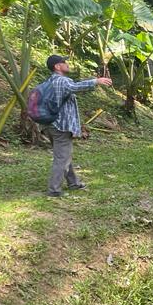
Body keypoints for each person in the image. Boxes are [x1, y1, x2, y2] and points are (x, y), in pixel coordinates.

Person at [42, 55, 112, 198]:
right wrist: (96, 81)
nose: (66, 64)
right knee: (62, 158)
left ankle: (74, 183)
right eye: (64, 62)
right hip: (60, 126)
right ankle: (54, 189)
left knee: (64, 155)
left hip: (51, 125)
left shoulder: (50, 81)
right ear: (57, 66)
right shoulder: (61, 80)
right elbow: (75, 87)